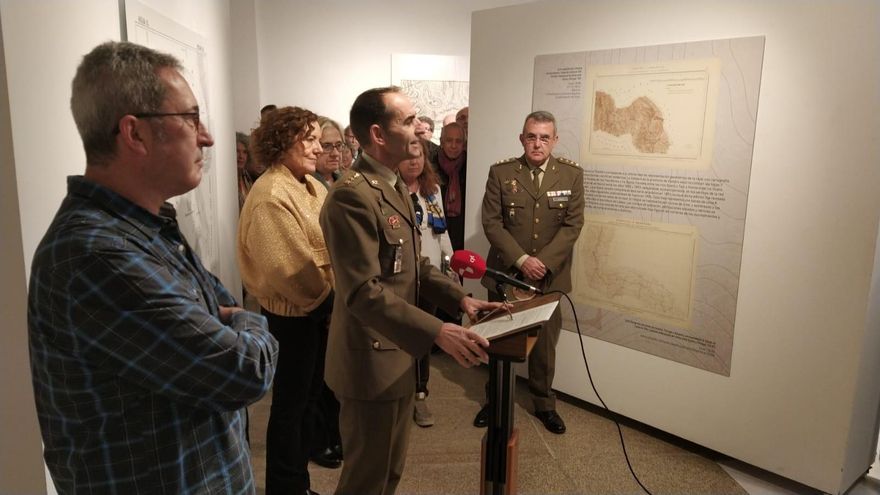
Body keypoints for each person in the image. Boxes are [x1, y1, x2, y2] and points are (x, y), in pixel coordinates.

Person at [27, 41, 278, 494]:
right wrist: (249, 319)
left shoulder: (147, 226)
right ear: (135, 134)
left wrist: (225, 317)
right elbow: (244, 371)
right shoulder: (95, 255)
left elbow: (215, 303)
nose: (207, 137)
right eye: (191, 119)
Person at [319, 86, 502, 495]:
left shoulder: (394, 184)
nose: (419, 129)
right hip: (370, 362)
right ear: (378, 135)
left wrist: (461, 299)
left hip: (398, 352)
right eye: (406, 121)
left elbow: (413, 266)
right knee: (365, 479)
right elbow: (363, 291)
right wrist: (438, 331)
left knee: (389, 473)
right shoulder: (352, 196)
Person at [238, 106, 336, 495]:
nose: (317, 148)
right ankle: (286, 487)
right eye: (308, 140)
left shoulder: (310, 185)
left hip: (316, 311)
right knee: (291, 408)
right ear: (282, 144)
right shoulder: (271, 195)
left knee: (308, 402)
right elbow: (289, 269)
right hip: (294, 317)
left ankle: (298, 481)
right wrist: (328, 304)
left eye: (317, 139)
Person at [475, 110, 585, 435]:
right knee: (498, 342)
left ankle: (544, 404)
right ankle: (494, 400)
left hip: (549, 278)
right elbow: (491, 223)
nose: (537, 143)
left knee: (545, 346)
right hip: (506, 273)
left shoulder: (571, 176)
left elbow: (572, 225)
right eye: (531, 136)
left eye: (544, 137)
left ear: (555, 140)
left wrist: (543, 263)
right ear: (522, 138)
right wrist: (522, 260)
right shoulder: (501, 173)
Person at [399, 140, 456, 428]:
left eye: (419, 156)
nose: (414, 161)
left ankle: (420, 394)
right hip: (401, 279)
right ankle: (399, 394)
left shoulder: (432, 191)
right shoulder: (391, 192)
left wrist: (451, 261)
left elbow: (441, 232)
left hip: (429, 275)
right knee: (399, 337)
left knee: (424, 335)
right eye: (408, 156)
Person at [433, 122, 467, 250]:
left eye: (458, 141)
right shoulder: (430, 166)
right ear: (441, 142)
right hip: (438, 227)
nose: (453, 146)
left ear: (463, 144)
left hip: (463, 229)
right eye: (449, 141)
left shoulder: (470, 165)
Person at [313, 117, 345, 188]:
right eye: (327, 146)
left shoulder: (345, 180)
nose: (335, 153)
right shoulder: (307, 184)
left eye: (339, 145)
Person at [237, 131, 266, 209]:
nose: (241, 156)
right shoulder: (229, 181)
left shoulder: (247, 178)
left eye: (244, 152)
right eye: (237, 151)